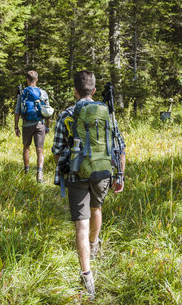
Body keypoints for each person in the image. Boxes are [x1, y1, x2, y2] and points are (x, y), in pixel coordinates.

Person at [51, 70, 126, 299]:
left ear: (74, 91)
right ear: (94, 90)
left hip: (76, 175)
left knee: (80, 225)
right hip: (103, 172)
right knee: (97, 209)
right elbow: (120, 147)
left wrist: (65, 168)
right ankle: (94, 246)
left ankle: (87, 276)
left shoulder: (66, 115)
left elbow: (56, 151)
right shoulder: (106, 113)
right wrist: (120, 175)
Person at [14, 70, 50, 182]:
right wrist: (47, 126)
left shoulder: (23, 93)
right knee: (40, 150)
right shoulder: (43, 93)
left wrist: (16, 127)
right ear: (37, 80)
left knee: (26, 147)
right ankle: (39, 174)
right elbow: (47, 112)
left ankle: (27, 171)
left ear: (27, 80)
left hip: (26, 125)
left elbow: (17, 111)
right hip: (40, 124)